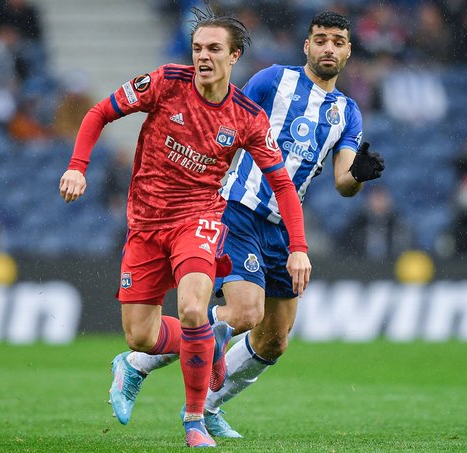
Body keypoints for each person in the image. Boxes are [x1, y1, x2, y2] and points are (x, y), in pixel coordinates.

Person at [111, 11, 386, 438]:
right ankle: (138, 363)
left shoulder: (347, 113)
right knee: (243, 312)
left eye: (337, 41)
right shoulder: (272, 80)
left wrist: (360, 175)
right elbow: (222, 117)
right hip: (237, 206)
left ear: (349, 50)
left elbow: (343, 182)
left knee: (274, 339)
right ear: (307, 46)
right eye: (320, 40)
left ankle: (212, 404)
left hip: (281, 224)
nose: (328, 48)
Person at [59, 5, 311, 448]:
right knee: (141, 334)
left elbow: (284, 187)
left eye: (214, 48)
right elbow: (99, 112)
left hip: (199, 218)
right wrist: (78, 166)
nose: (203, 56)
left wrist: (299, 246)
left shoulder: (248, 116)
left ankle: (194, 420)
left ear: (234, 57)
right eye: (197, 48)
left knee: (195, 309)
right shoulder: (165, 83)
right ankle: (190, 349)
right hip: (144, 223)